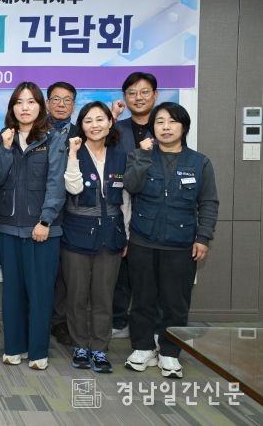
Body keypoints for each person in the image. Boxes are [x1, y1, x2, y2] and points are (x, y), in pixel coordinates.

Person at [123, 102, 218, 379]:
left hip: (180, 244)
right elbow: (131, 185)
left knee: (175, 303)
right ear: (152, 127)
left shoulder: (199, 162)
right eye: (160, 122)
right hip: (143, 241)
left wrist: (203, 237)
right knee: (142, 300)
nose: (165, 127)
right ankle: (142, 347)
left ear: (184, 127)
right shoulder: (139, 155)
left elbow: (208, 202)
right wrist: (143, 156)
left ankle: (169, 352)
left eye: (172, 122)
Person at [0, 81, 66, 371]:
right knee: (12, 291)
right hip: (7, 227)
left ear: (41, 106)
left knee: (40, 292)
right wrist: (4, 150)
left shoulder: (54, 139)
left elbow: (56, 182)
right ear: (12, 107)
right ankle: (14, 347)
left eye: (31, 102)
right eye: (19, 102)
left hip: (42, 229)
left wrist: (45, 220)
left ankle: (38, 351)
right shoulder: (3, 138)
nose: (25, 108)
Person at [62, 101, 129, 373]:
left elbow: (126, 200)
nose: (94, 125)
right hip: (76, 235)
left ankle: (100, 348)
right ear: (81, 125)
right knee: (77, 296)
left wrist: (125, 235)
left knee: (103, 296)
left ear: (110, 122)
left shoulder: (120, 156)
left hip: (110, 236)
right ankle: (80, 345)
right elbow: (73, 187)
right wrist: (73, 154)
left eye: (100, 119)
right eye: (88, 120)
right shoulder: (73, 151)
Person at [111, 72, 160, 340]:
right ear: (125, 97)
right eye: (131, 93)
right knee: (121, 268)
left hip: (154, 206)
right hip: (122, 203)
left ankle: (151, 325)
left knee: (150, 271)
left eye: (144, 92)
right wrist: (112, 117)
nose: (138, 97)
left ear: (155, 95)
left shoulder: (165, 125)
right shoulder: (118, 129)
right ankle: (119, 319)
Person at [45, 81, 78, 347]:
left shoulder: (82, 134)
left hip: (73, 211)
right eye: (56, 99)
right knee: (42, 269)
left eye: (67, 100)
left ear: (74, 105)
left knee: (64, 271)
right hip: (40, 210)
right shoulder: (33, 130)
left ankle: (60, 321)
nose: (61, 104)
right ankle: (39, 318)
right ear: (47, 103)